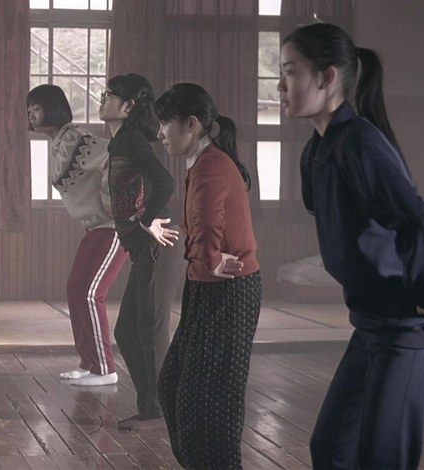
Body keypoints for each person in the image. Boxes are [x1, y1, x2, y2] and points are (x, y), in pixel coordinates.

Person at [279, 22, 424, 469]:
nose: (280, 85)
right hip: (374, 322)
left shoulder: (360, 141)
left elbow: (416, 218)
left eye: (290, 71)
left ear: (327, 78)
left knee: (382, 459)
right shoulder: (316, 151)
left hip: (413, 323)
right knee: (331, 449)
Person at [154, 83, 262, 469]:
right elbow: (201, 223)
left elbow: (208, 223)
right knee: (174, 387)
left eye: (164, 124)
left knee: (210, 401)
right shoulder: (203, 161)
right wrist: (205, 258)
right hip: (206, 286)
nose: (160, 133)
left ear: (191, 124)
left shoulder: (212, 165)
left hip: (229, 290)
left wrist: (212, 259)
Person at [25, 84, 128, 386]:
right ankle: (89, 363)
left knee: (89, 293)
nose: (32, 115)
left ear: (54, 108)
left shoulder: (75, 138)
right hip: (94, 228)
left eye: (37, 108)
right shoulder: (59, 142)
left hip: (113, 228)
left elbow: (114, 157)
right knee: (75, 290)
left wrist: (111, 201)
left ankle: (105, 369)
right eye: (29, 109)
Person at [99, 73, 186, 429]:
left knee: (150, 328)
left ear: (128, 106)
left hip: (159, 243)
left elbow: (165, 182)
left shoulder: (132, 140)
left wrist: (149, 220)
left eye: (109, 95)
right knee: (126, 332)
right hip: (141, 247)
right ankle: (151, 406)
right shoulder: (120, 141)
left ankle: (158, 411)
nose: (102, 98)